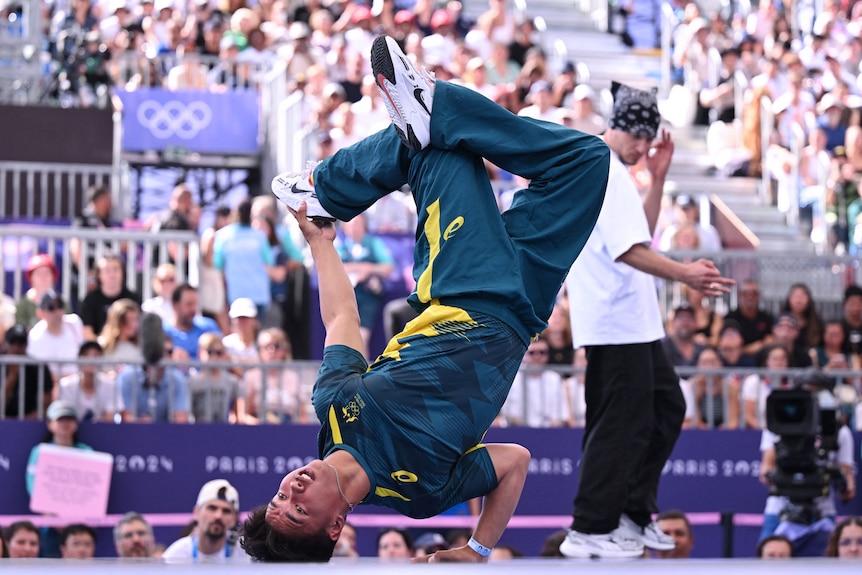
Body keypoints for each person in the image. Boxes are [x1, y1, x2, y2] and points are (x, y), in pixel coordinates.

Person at [240, 35, 610, 563]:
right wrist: (479, 548)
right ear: (334, 528)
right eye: (297, 509)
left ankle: (327, 187)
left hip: (461, 288)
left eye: (279, 496)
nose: (292, 488)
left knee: (434, 143)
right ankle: (367, 154)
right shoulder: (423, 495)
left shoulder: (336, 411)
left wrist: (319, 242)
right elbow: (514, 462)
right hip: (524, 308)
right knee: (586, 160)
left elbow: (342, 317)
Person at [562, 81, 733, 559]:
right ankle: (590, 526)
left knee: (665, 410)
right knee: (619, 425)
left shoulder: (617, 172)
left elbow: (639, 235)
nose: (643, 147)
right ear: (616, 127)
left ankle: (632, 515)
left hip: (635, 322)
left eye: (648, 138)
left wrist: (656, 180)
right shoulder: (605, 169)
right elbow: (630, 250)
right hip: (616, 323)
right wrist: (686, 274)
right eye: (637, 137)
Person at [162, 479, 250, 563]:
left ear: (234, 519)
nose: (218, 516)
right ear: (197, 512)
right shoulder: (175, 556)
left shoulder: (245, 555)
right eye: (212, 508)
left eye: (226, 511)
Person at [58, 341, 125, 422]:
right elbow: (65, 418)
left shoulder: (111, 385)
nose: (91, 359)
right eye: (86, 355)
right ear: (78, 359)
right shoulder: (65, 385)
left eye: (96, 355)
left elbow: (110, 418)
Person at [79, 254, 141, 341]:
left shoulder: (133, 299)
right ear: (98, 275)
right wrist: (104, 346)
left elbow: (139, 329)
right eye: (107, 270)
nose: (112, 274)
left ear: (123, 273)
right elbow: (86, 331)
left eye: (115, 269)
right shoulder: (90, 300)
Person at [26, 290, 85, 381]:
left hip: (79, 385)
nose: (57, 311)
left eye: (60, 306)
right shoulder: (35, 335)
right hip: (50, 388)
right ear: (40, 313)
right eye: (51, 308)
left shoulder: (75, 323)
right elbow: (40, 373)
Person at [187, 332, 245, 424]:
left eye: (218, 353)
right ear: (199, 353)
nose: (214, 357)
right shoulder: (192, 382)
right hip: (198, 430)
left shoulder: (233, 381)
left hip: (223, 432)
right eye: (210, 352)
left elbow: (239, 415)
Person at [3, 324, 54, 419]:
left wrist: (22, 422)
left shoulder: (38, 368)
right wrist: (12, 377)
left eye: (21, 344)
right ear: (5, 343)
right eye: (12, 343)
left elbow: (45, 406)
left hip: (30, 423)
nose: (16, 348)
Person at [163, 283, 222, 362]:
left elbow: (223, 355)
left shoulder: (209, 327)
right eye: (189, 304)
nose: (193, 309)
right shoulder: (163, 331)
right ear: (175, 305)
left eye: (195, 304)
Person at [722, 279, 775, 356]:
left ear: (759, 296)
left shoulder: (768, 319)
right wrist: (753, 348)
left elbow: (771, 341)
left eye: (754, 293)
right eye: (745, 293)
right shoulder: (730, 318)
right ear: (739, 296)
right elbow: (726, 348)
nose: (750, 297)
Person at [15, 253, 65, 330]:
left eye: (47, 273)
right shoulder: (22, 306)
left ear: (53, 277)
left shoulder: (62, 302)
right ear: (31, 278)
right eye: (39, 274)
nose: (43, 278)